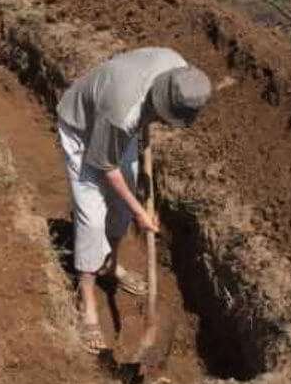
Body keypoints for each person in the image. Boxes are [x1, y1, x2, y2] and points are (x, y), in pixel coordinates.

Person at [56, 47, 211, 354]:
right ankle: (86, 300)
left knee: (120, 209)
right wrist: (140, 210)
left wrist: (131, 209)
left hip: (118, 125)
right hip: (82, 128)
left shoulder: (178, 67)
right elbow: (104, 166)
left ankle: (111, 265)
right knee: (92, 215)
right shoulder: (122, 113)